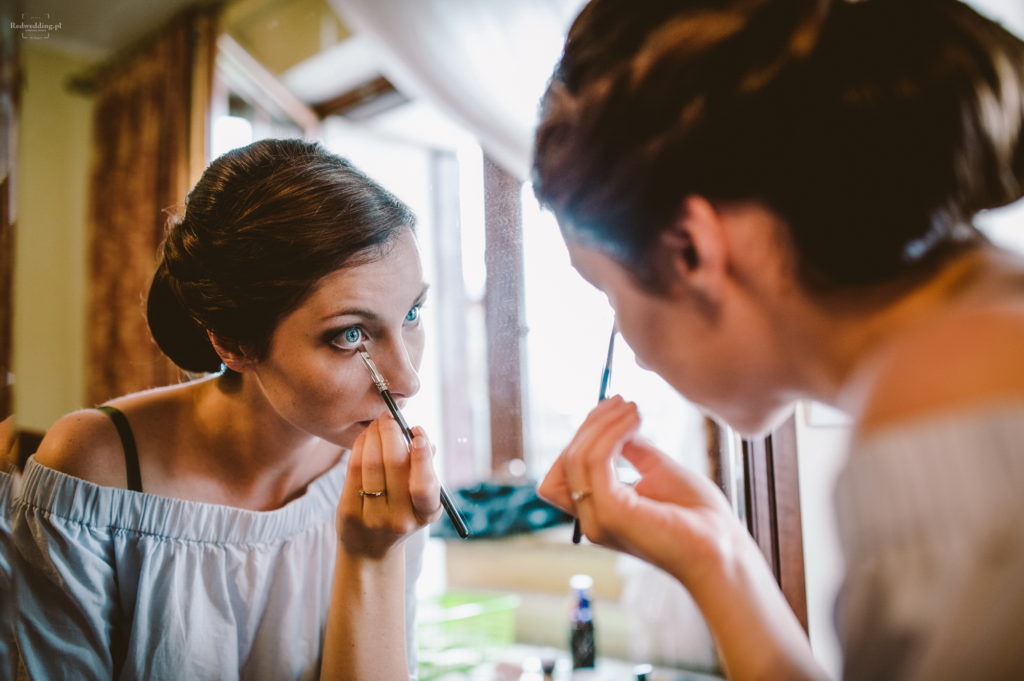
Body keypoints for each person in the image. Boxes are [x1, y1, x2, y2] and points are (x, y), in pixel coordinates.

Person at [533, 1, 1024, 679]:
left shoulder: (942, 424)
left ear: (690, 250)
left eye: (609, 293)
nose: (636, 353)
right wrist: (717, 557)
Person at [9, 139, 439, 680]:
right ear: (234, 343)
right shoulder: (96, 465)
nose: (408, 380)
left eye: (412, 313)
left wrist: (375, 556)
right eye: (350, 334)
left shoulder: (385, 485)